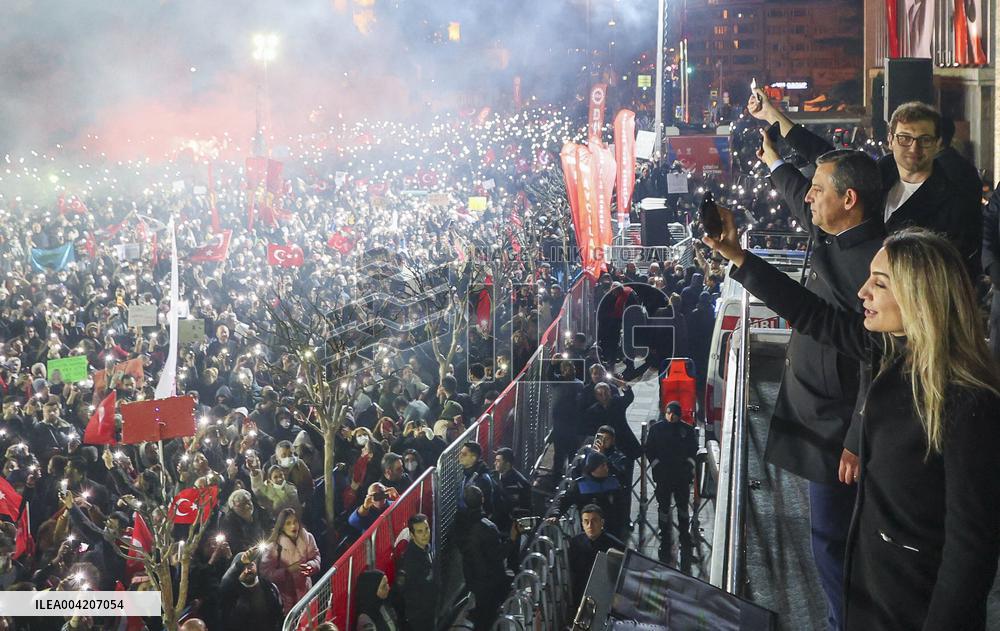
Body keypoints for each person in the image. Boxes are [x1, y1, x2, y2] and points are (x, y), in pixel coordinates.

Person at [704, 206, 1000, 630]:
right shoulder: (888, 353)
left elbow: (971, 551)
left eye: (879, 283)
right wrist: (738, 256)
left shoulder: (971, 404)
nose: (863, 292)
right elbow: (812, 315)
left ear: (920, 295)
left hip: (916, 610)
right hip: (869, 594)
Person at [754, 133, 886, 631]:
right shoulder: (835, 236)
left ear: (848, 200)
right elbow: (797, 196)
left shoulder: (876, 264)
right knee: (828, 538)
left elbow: (882, 359)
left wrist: (857, 435)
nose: (808, 197)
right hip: (823, 418)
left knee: (835, 541)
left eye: (818, 190)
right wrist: (774, 163)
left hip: (840, 432)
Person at [749, 89, 982, 280]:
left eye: (924, 140)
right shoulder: (881, 171)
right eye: (905, 138)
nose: (914, 148)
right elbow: (827, 155)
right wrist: (770, 114)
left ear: (938, 144)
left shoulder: (953, 204)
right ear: (890, 139)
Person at [645, 402, 698, 571]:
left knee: (683, 506)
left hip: (681, 476)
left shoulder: (687, 430)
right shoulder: (656, 430)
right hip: (664, 476)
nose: (671, 416)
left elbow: (693, 450)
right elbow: (650, 449)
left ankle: (684, 534)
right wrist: (656, 465)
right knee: (663, 507)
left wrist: (688, 466)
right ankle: (664, 535)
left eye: (674, 413)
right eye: (668, 413)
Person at [455, 486, 512, 631]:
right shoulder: (488, 527)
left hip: (473, 578)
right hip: (489, 582)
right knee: (489, 618)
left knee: (481, 613)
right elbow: (498, 554)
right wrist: (512, 539)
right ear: (482, 499)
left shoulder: (460, 523)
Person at [258, 507, 321, 613]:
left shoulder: (308, 537)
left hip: (306, 591)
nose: (293, 526)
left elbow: (316, 556)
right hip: (285, 598)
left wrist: (311, 566)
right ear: (282, 527)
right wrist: (288, 570)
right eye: (288, 523)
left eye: (295, 521)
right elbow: (265, 573)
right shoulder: (273, 547)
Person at [567, 505, 624, 610]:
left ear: (602, 523)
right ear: (582, 524)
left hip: (606, 592)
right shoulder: (575, 543)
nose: (590, 525)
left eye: (594, 521)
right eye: (586, 521)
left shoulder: (616, 546)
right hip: (582, 592)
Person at [218, 550, 284, 631]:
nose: (247, 571)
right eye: (242, 568)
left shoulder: (269, 587)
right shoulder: (231, 593)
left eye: (250, 566)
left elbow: (279, 615)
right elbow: (225, 583)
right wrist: (240, 563)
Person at [396, 513, 435, 631]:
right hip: (419, 615)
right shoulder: (410, 561)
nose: (425, 534)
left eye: (426, 529)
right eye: (419, 531)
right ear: (412, 535)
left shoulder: (427, 547)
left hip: (429, 608)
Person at [493, 447, 531, 514]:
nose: (495, 463)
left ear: (507, 463)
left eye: (498, 461)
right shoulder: (493, 476)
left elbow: (525, 508)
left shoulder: (521, 483)